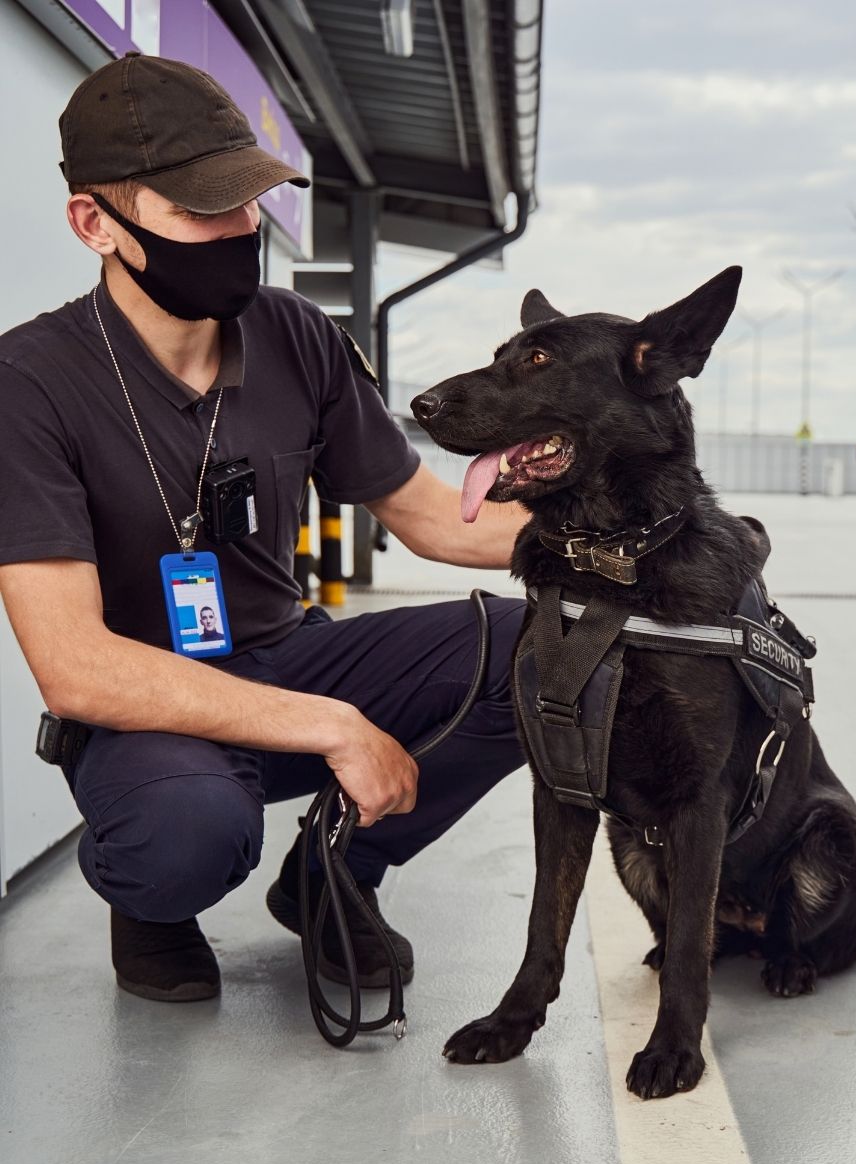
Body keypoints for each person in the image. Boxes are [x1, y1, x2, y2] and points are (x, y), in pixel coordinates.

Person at [0, 53, 529, 1003]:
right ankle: (154, 908)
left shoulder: (297, 336)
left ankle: (333, 878)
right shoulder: (28, 384)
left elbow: (432, 520)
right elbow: (75, 664)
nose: (239, 229)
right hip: (143, 705)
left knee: (543, 654)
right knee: (184, 840)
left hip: (286, 656)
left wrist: (635, 530)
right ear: (95, 225)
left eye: (246, 201)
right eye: (203, 208)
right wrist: (333, 726)